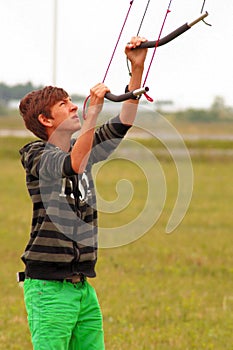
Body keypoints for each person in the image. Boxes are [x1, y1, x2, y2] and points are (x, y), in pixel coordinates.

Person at [18, 36, 148, 350]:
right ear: (46, 120)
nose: (75, 105)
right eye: (64, 105)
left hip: (82, 287)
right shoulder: (35, 155)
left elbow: (124, 122)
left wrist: (137, 70)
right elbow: (72, 165)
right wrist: (93, 113)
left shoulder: (83, 149)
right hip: (48, 287)